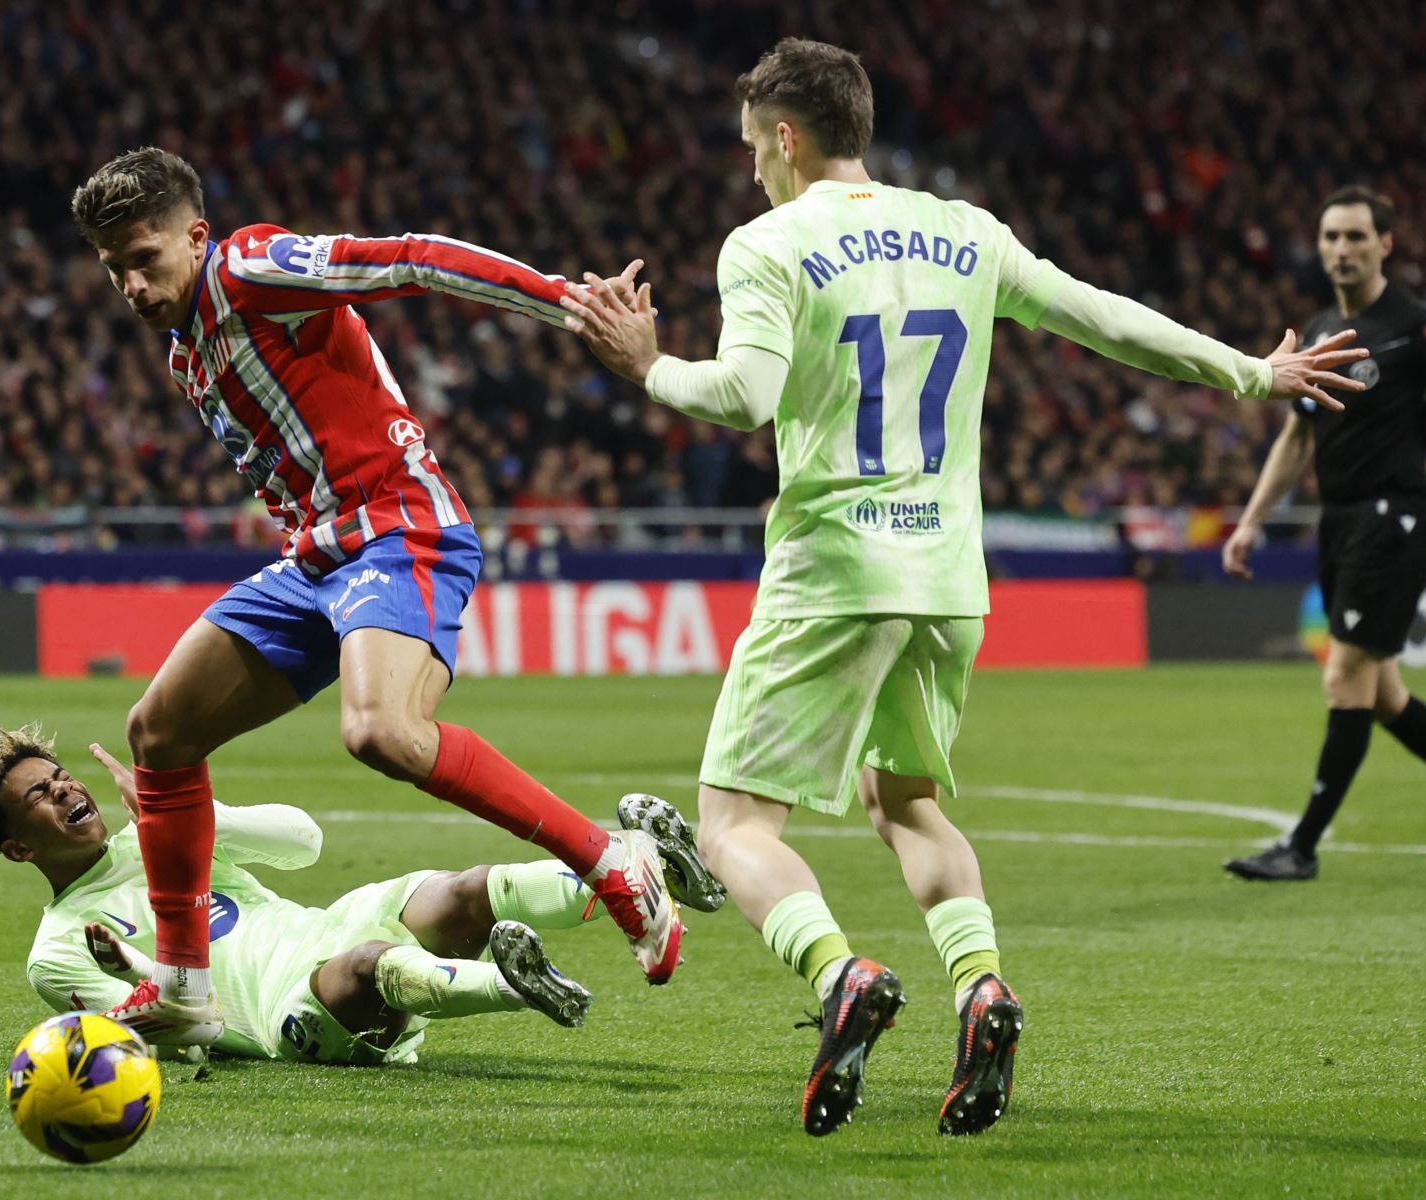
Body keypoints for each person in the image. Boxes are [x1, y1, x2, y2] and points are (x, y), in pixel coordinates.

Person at [559, 38, 1367, 1137]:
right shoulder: (964, 231)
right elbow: (1102, 316)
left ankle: (837, 973)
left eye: (754, 146)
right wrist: (1251, 371)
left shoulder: (768, 242)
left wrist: (644, 362)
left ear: (789, 138)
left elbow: (742, 396)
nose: (750, 167)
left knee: (733, 825)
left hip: (835, 569)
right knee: (912, 804)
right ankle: (982, 985)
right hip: (947, 578)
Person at [67, 145, 688, 1046]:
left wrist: (569, 301)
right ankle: (184, 984)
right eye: (112, 267)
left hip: (401, 528)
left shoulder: (249, 268)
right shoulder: (185, 351)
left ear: (195, 236)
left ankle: (609, 862)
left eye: (143, 256)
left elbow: (412, 257)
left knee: (382, 732)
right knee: (159, 731)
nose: (129, 282)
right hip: (315, 556)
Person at [0, 724, 721, 1063]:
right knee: (368, 963)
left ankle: (643, 860)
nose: (65, 788)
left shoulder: (148, 841)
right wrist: (134, 966)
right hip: (285, 1008)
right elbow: (185, 1031)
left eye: (61, 775)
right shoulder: (58, 952)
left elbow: (304, 843)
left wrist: (192, 818)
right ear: (18, 848)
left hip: (319, 922)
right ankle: (519, 985)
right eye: (39, 793)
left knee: (460, 892)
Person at [1222, 187, 1426, 882]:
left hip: (1394, 518)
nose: (1341, 250)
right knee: (1387, 697)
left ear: (1385, 245)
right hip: (1340, 522)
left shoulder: (1412, 325)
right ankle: (1302, 844)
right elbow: (1297, 436)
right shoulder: (1315, 332)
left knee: (1345, 677)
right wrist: (1250, 521)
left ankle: (1302, 845)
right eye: (1331, 237)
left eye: (1356, 237)